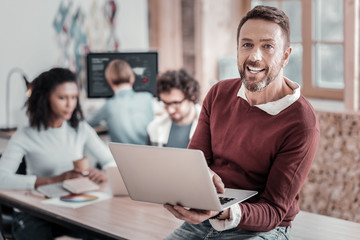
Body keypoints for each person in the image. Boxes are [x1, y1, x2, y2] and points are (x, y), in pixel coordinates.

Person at [163, 5, 320, 239]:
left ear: (285, 56)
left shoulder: (301, 122)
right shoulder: (218, 94)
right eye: (247, 44)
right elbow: (195, 163)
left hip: (263, 228)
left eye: (267, 46)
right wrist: (192, 189)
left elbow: (274, 210)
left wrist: (221, 212)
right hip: (207, 218)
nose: (254, 56)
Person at [0, 67, 114, 239]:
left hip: (72, 205)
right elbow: (2, 179)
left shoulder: (80, 128)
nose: (70, 104)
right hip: (35, 211)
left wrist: (105, 174)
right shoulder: (25, 134)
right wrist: (54, 180)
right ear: (45, 98)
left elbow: (111, 161)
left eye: (74, 97)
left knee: (105, 233)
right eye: (62, 98)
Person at [88, 59, 154, 145]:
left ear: (109, 81)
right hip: (147, 154)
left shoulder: (108, 106)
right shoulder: (147, 97)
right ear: (132, 77)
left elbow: (87, 122)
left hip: (121, 157)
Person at [147, 69, 201, 148]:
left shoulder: (211, 127)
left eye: (176, 103)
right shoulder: (154, 128)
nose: (170, 110)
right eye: (166, 103)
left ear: (192, 96)